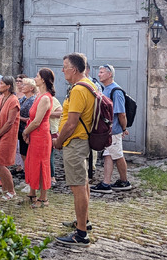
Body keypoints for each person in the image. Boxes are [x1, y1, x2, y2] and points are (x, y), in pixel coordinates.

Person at [54, 52, 96, 247]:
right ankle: (83, 222)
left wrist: (59, 141)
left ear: (75, 69)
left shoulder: (79, 89)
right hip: (83, 140)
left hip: (75, 141)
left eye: (65, 66)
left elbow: (71, 123)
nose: (63, 70)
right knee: (83, 184)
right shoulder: (91, 85)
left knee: (77, 186)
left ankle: (81, 234)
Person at [91, 64, 132, 193]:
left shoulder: (116, 91)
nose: (99, 74)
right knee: (109, 155)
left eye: (102, 72)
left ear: (109, 74)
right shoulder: (106, 89)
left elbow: (121, 113)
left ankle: (124, 181)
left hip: (114, 130)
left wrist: (123, 128)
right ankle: (106, 183)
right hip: (108, 131)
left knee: (117, 155)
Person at [22, 68, 55, 208]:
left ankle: (43, 198)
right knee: (32, 163)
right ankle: (32, 193)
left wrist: (25, 132)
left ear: (43, 80)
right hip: (35, 134)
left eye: (37, 76)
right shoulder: (39, 96)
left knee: (41, 165)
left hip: (41, 135)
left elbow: (37, 121)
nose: (35, 78)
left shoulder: (46, 97)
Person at [0, 76, 20, 201]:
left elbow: (10, 122)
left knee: (1, 163)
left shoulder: (14, 101)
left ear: (8, 86)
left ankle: (11, 191)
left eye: (1, 83)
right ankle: (5, 188)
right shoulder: (1, 98)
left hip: (7, 135)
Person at [18, 78, 37, 170]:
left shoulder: (33, 100)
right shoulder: (23, 99)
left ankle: (29, 176)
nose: (22, 86)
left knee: (27, 154)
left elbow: (32, 118)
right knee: (23, 154)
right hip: (21, 130)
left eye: (25, 85)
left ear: (31, 88)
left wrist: (18, 118)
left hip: (28, 130)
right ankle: (27, 175)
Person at [49, 95, 62, 186]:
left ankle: (52, 177)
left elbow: (60, 113)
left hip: (51, 130)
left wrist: (46, 113)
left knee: (49, 155)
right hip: (39, 131)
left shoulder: (52, 99)